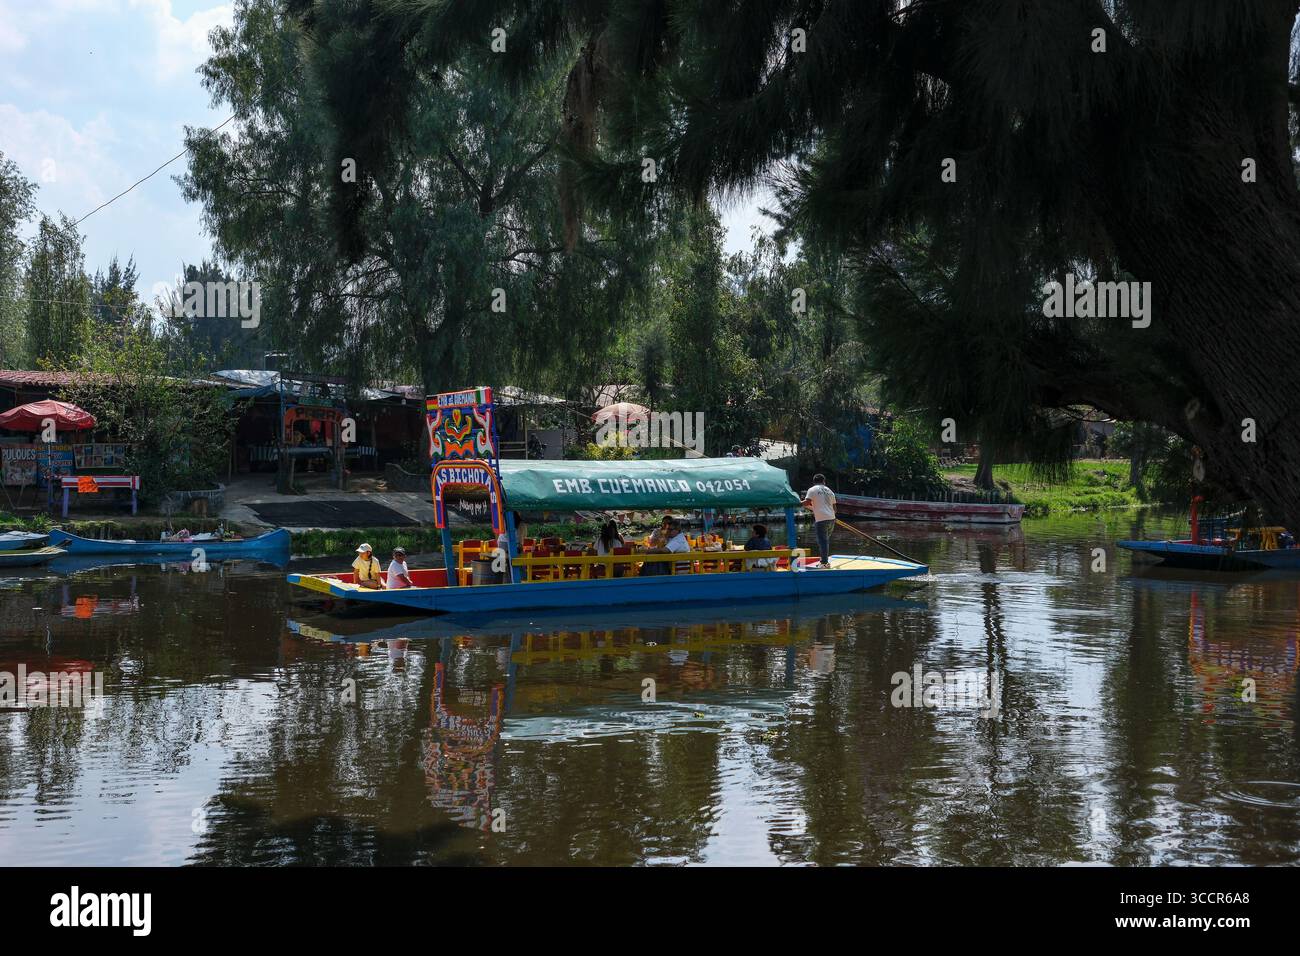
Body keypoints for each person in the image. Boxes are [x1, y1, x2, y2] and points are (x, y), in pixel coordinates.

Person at [802, 474, 836, 568]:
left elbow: (807, 502)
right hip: (832, 519)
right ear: (824, 481)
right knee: (825, 541)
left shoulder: (812, 489)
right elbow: (834, 508)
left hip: (821, 520)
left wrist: (796, 503)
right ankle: (824, 560)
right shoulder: (830, 491)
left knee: (823, 542)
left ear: (814, 482)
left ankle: (824, 563)